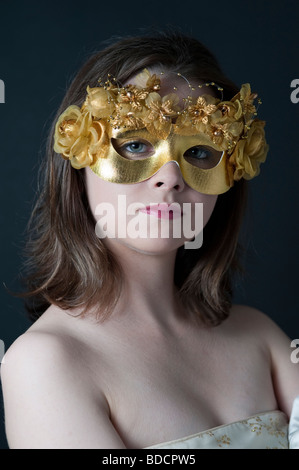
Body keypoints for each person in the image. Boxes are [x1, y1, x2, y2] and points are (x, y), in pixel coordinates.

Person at [1, 31, 299, 449]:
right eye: (136, 144)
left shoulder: (260, 337)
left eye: (199, 152)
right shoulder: (47, 364)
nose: (171, 177)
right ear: (78, 160)